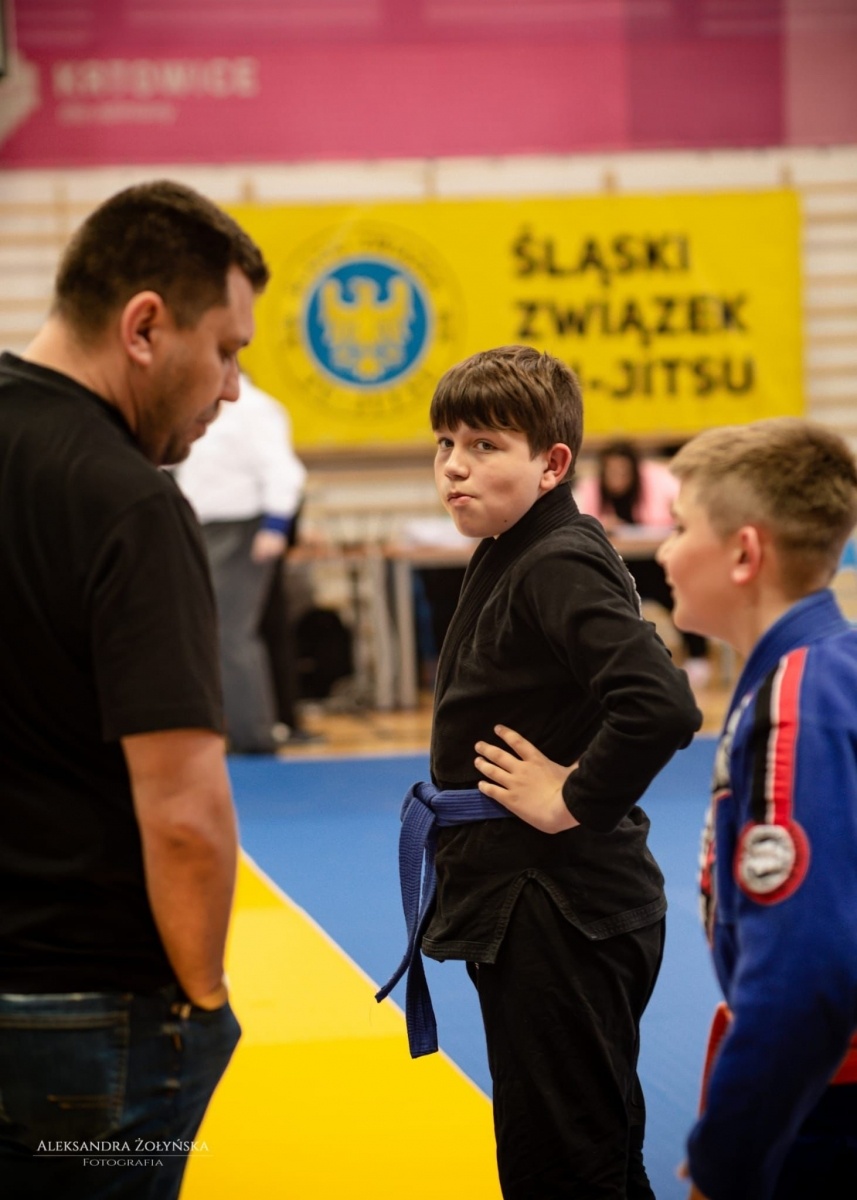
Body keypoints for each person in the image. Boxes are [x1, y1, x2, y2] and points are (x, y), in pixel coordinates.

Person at [377, 346, 701, 1198]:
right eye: (444, 443)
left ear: (552, 463)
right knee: (572, 1149)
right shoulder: (515, 543)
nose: (454, 466)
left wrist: (572, 798)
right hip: (543, 901)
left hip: (560, 905)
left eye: (484, 445)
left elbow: (660, 704)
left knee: (566, 1161)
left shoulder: (553, 556)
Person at [0, 180, 269, 1198]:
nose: (233, 388)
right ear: (145, 327)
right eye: (228, 350)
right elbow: (186, 816)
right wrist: (200, 1002)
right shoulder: (128, 505)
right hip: (90, 1009)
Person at [656, 418, 857, 1200]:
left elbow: (804, 974)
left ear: (743, 552)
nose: (663, 552)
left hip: (827, 1099)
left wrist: (728, 1155)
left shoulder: (797, 701)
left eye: (678, 530)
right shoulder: (820, 668)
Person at [176, 371, 312, 752]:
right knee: (217, 633)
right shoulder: (205, 407)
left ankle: (253, 735)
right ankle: (238, 728)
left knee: (231, 633)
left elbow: (284, 471)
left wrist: (275, 525)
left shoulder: (255, 409)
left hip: (242, 528)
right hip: (207, 527)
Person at [576, 439, 711, 688]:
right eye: (611, 472)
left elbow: (671, 521)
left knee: (679, 592)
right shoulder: (591, 489)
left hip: (654, 564)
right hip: (616, 564)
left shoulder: (657, 483)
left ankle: (698, 656)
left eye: (623, 472)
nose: (617, 478)